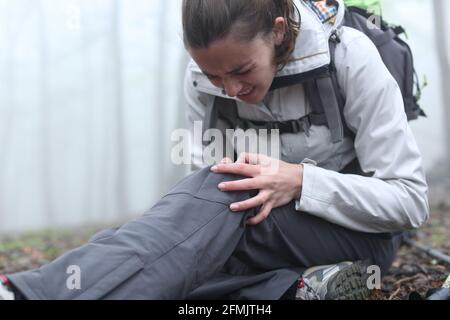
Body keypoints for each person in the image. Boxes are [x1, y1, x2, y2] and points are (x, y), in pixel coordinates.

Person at [0, 0, 429, 300]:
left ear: (278, 32)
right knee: (182, 248)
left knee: (206, 220)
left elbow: (410, 201)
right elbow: (197, 214)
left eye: (242, 70)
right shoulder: (202, 81)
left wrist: (300, 182)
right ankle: (292, 290)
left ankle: (35, 293)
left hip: (359, 235)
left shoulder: (350, 57)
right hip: (262, 230)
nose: (231, 90)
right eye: (214, 75)